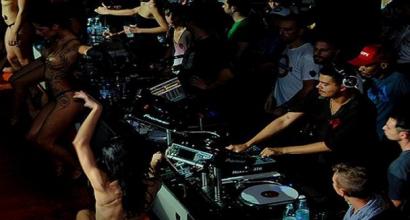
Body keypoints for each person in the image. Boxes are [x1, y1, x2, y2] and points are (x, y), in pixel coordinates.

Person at [227, 63, 377, 164]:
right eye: (319, 81)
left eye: (325, 84)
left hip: (351, 163)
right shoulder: (318, 95)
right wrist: (247, 144)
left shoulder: (360, 109)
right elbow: (285, 119)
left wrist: (282, 150)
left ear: (344, 87)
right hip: (322, 159)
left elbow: (330, 145)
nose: (318, 86)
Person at [73, 90, 161, 220]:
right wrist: (154, 165)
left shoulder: (103, 185)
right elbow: (152, 177)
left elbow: (79, 143)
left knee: (83, 214)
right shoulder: (153, 184)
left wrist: (97, 108)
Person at [24, 10, 83, 178]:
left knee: (44, 140)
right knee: (31, 136)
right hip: (56, 98)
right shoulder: (54, 39)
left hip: (68, 98)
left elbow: (81, 51)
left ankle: (78, 168)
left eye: (41, 29)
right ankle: (59, 161)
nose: (37, 33)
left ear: (55, 26)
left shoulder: (74, 45)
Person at [349, 44, 410, 140]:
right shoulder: (365, 81)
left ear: (383, 65)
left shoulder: (399, 80)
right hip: (364, 133)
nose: (360, 68)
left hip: (385, 137)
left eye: (366, 65)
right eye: (360, 64)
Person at [383, 101, 410, 217]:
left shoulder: (398, 166)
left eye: (388, 127)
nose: (383, 127)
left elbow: (396, 202)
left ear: (403, 135)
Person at [1, 0, 33, 71]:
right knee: (11, 58)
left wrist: (15, 32)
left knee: (23, 60)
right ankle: (21, 79)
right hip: (10, 26)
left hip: (19, 26)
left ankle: (31, 79)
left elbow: (22, 11)